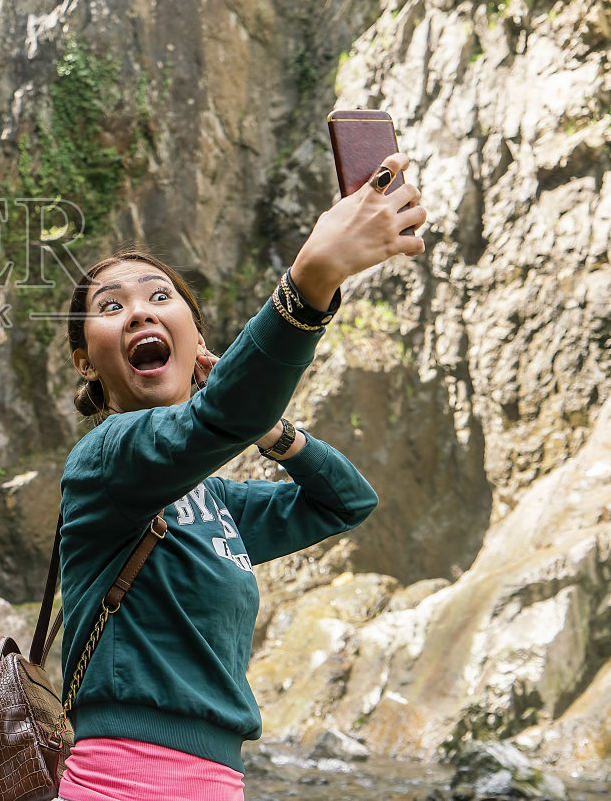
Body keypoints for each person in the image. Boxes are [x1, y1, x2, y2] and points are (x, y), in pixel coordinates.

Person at [54, 151, 427, 801]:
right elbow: (214, 418)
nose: (140, 310)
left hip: (217, 780)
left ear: (198, 344)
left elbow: (345, 503)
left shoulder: (215, 500)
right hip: (122, 780)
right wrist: (313, 276)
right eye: (112, 305)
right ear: (87, 363)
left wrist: (273, 432)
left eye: (160, 296)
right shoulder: (106, 460)